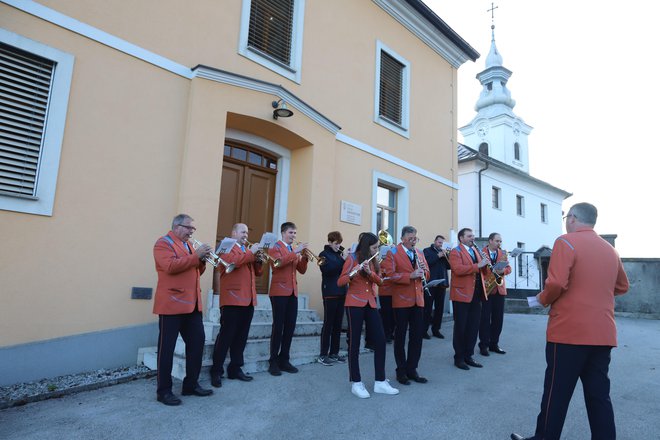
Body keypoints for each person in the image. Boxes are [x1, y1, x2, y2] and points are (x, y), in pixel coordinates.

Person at [511, 203, 629, 440]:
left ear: (573, 218)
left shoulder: (566, 241)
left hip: (568, 332)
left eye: (566, 216)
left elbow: (555, 284)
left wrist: (542, 299)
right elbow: (622, 286)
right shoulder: (610, 250)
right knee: (599, 396)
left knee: (557, 393)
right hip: (603, 333)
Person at [152, 214, 214, 406]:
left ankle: (191, 384)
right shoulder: (163, 243)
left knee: (197, 343)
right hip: (171, 303)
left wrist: (201, 260)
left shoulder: (188, 246)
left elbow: (194, 271)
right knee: (166, 350)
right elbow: (170, 266)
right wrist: (196, 256)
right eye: (189, 228)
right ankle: (163, 391)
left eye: (192, 229)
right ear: (177, 226)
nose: (191, 232)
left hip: (192, 304)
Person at [338, 232, 399, 398]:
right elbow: (341, 281)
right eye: (374, 247)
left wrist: (369, 272)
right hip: (354, 303)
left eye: (377, 247)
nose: (376, 250)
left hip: (371, 303)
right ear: (366, 247)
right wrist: (356, 271)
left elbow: (380, 281)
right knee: (355, 343)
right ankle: (356, 382)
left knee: (380, 340)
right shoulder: (352, 258)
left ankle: (380, 381)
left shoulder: (374, 262)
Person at [209, 223, 263, 388]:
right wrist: (250, 253)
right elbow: (231, 263)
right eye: (242, 232)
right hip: (232, 298)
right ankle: (216, 370)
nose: (246, 235)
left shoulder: (247, 249)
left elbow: (258, 273)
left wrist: (258, 260)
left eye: (247, 232)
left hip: (248, 298)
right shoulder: (225, 246)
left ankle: (235, 368)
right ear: (233, 232)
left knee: (241, 337)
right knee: (226, 336)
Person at [381, 225, 429, 385]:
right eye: (410, 239)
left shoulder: (420, 253)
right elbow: (390, 275)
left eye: (415, 238)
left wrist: (423, 272)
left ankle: (412, 369)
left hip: (418, 299)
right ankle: (400, 371)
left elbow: (427, 272)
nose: (413, 241)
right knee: (401, 336)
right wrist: (410, 275)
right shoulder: (392, 252)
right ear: (402, 238)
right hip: (401, 300)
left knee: (417, 337)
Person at [267, 222, 308, 376]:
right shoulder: (275, 247)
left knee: (290, 326)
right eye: (291, 233)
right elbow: (277, 264)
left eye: (295, 233)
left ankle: (284, 359)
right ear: (283, 233)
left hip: (292, 292)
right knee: (278, 327)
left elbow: (301, 270)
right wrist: (295, 251)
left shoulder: (292, 250)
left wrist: (303, 257)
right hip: (278, 291)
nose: (293, 236)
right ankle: (273, 361)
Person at [449, 227, 489, 371]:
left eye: (473, 236)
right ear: (461, 238)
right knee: (461, 327)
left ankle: (469, 355)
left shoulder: (476, 251)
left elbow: (482, 270)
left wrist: (486, 265)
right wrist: (478, 265)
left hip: (476, 294)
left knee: (473, 326)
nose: (473, 238)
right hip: (461, 295)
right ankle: (459, 358)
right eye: (469, 236)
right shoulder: (455, 251)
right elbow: (458, 269)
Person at [478, 232, 512, 356]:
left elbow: (509, 268)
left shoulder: (503, 253)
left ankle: (494, 344)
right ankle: (483, 345)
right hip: (487, 289)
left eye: (500, 241)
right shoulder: (481, 252)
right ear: (490, 241)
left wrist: (504, 270)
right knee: (485, 319)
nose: (499, 243)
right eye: (497, 241)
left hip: (499, 289)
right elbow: (479, 269)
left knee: (498, 319)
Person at [317, 231, 348, 366]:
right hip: (329, 292)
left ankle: (334, 352)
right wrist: (343, 260)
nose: (338, 246)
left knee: (337, 324)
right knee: (328, 324)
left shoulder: (338, 254)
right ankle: (323, 354)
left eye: (340, 243)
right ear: (330, 242)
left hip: (341, 292)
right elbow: (327, 270)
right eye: (336, 243)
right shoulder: (323, 255)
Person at [423, 235, 451, 339]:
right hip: (430, 284)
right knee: (427, 308)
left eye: (442, 243)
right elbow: (426, 263)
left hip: (442, 283)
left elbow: (450, 267)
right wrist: (438, 256)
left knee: (439, 309)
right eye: (439, 243)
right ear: (435, 241)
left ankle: (436, 329)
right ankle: (424, 330)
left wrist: (448, 257)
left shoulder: (444, 253)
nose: (441, 245)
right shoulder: (427, 251)